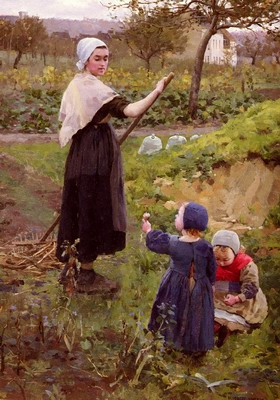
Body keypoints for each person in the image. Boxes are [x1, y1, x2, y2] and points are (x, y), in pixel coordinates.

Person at [56, 37, 166, 294]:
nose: (103, 63)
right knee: (92, 207)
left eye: (106, 58)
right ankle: (86, 274)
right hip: (95, 155)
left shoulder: (77, 84)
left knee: (79, 204)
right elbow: (131, 110)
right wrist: (156, 91)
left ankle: (71, 265)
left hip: (81, 151)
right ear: (85, 60)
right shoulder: (94, 90)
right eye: (98, 58)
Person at [141, 202, 216, 355]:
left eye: (179, 215)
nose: (176, 216)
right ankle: (194, 345)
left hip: (175, 283)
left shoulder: (173, 243)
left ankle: (171, 341)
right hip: (200, 286)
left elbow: (155, 242)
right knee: (196, 314)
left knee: (174, 309)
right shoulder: (206, 246)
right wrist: (211, 283)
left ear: (186, 222)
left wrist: (148, 230)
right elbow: (211, 267)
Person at [212, 230, 268, 347]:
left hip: (242, 299)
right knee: (211, 316)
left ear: (235, 252)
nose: (221, 263)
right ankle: (218, 328)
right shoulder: (212, 261)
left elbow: (251, 286)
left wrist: (237, 298)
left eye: (225, 260)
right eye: (217, 259)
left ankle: (231, 328)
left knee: (238, 316)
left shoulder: (245, 264)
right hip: (220, 295)